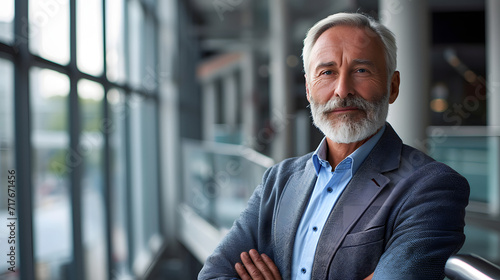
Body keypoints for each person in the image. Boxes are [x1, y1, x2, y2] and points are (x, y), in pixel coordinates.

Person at [198, 12, 469, 280]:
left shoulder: (432, 186)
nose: (342, 90)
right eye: (327, 72)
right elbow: (213, 275)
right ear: (308, 89)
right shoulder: (279, 180)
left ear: (393, 86)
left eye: (361, 70)